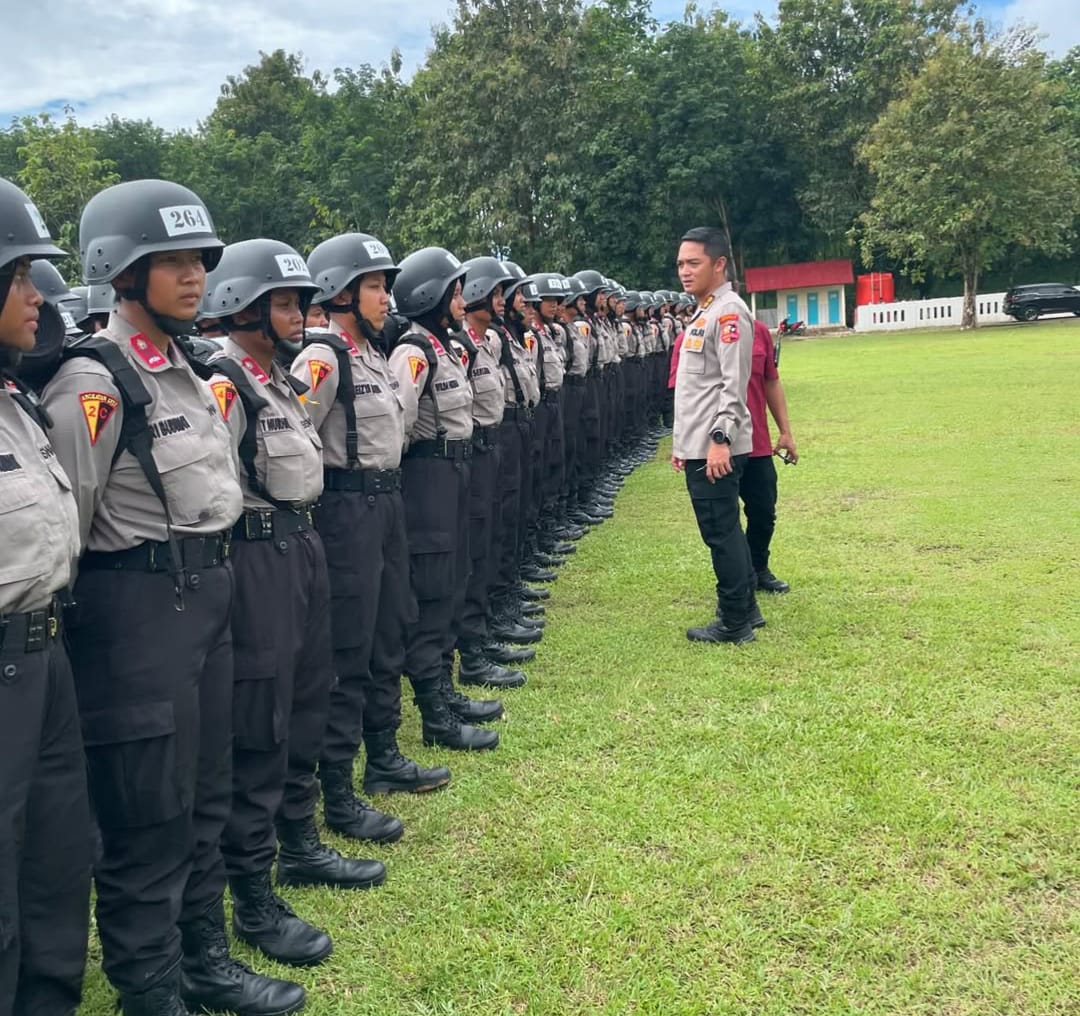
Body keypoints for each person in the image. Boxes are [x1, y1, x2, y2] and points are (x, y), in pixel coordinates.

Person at [43, 179, 304, 1016]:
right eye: (175, 261)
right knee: (147, 820)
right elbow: (68, 527)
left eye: (199, 259)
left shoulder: (188, 368)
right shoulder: (92, 380)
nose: (196, 276)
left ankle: (205, 961)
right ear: (123, 272)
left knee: (205, 793)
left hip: (208, 597)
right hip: (136, 617)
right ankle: (149, 992)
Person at [201, 239, 387, 973]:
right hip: (253, 559)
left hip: (301, 545)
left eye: (301, 301)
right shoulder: (224, 383)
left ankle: (301, 843)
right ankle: (252, 894)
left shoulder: (275, 377)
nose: (299, 314)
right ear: (241, 307)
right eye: (283, 303)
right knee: (262, 722)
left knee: (310, 699)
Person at [291, 233, 450, 818]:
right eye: (375, 286)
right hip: (345, 510)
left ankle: (383, 755)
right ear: (339, 291)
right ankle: (337, 788)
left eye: (385, 285)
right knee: (350, 647)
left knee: (392, 628)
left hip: (386, 504)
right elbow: (289, 436)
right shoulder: (321, 358)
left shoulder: (373, 354)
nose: (387, 297)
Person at [0, 177, 92, 1016]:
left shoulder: (17, 403)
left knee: (60, 862)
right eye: (20, 276)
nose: (38, 297)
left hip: (45, 658)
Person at [389, 247, 499, 752]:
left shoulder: (444, 345)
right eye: (454, 290)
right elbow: (397, 426)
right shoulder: (414, 352)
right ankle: (435, 716)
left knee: (454, 582)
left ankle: (447, 692)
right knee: (433, 593)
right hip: (428, 477)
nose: (462, 298)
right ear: (429, 296)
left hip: (454, 471)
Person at [671, 226, 762, 645]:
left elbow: (732, 384)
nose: (685, 272)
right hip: (701, 445)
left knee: (720, 531)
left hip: (716, 446)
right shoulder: (705, 310)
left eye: (694, 263)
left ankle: (734, 621)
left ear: (719, 264)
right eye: (680, 264)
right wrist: (684, 447)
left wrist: (719, 439)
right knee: (727, 529)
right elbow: (697, 389)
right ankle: (747, 608)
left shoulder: (727, 312)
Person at [741, 319, 798, 594]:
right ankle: (738, 580)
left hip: (757, 443)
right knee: (724, 522)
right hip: (717, 447)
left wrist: (785, 431)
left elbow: (771, 382)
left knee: (764, 512)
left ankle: (758, 567)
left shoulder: (758, 331)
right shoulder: (700, 329)